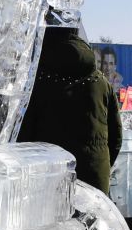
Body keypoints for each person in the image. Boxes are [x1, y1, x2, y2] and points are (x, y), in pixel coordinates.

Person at [18, 24, 123, 194]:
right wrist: (99, 165)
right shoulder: (102, 82)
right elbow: (116, 137)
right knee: (90, 221)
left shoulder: (35, 82)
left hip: (48, 181)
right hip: (95, 182)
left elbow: (23, 137)